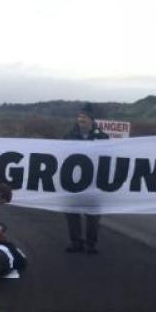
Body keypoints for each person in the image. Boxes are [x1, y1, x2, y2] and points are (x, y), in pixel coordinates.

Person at [62, 103, 109, 254]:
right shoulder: (69, 136)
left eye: (84, 117)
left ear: (91, 119)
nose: (81, 119)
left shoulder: (102, 138)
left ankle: (91, 243)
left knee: (93, 215)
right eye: (79, 116)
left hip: (94, 182)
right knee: (71, 213)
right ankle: (76, 242)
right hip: (73, 182)